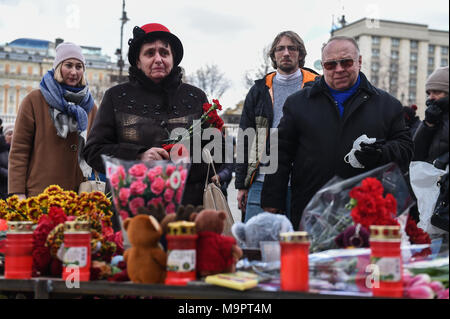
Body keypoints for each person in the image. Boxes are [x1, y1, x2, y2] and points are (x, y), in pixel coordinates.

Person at [261, 36, 414, 230]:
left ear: (359, 61)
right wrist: (272, 202)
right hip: (312, 211)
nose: (339, 69)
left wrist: (380, 153)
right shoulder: (298, 103)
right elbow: (279, 153)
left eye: (346, 62)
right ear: (323, 66)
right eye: (331, 65)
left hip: (366, 214)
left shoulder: (387, 105)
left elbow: (406, 148)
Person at [83, 23, 215, 206]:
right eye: (150, 53)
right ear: (138, 61)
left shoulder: (195, 97)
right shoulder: (116, 97)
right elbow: (93, 152)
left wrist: (185, 161)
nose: (158, 59)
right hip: (131, 211)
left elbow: (215, 151)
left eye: (164, 52)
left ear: (173, 58)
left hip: (186, 212)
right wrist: (138, 156)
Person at [235, 31, 319, 223]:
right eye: (280, 48)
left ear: (300, 53)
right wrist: (242, 184)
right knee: (256, 243)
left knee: (298, 244)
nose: (286, 53)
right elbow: (245, 138)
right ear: (273, 55)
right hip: (261, 180)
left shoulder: (316, 87)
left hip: (303, 182)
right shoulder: (259, 90)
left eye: (292, 48)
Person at [8, 42, 97, 199]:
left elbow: (96, 149)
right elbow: (19, 151)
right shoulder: (34, 100)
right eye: (68, 65)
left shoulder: (90, 106)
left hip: (79, 195)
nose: (74, 72)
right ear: (58, 67)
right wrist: (17, 192)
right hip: (40, 195)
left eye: (79, 66)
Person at [413, 66, 449, 169]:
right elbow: (416, 154)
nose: (431, 97)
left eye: (436, 92)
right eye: (429, 93)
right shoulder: (434, 116)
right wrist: (428, 125)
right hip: (432, 179)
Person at [0, 125, 13, 199]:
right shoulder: (1, 149)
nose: (12, 136)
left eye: (14, 133)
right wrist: (10, 174)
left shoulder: (20, 149)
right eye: (9, 134)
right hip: (3, 186)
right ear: (4, 136)